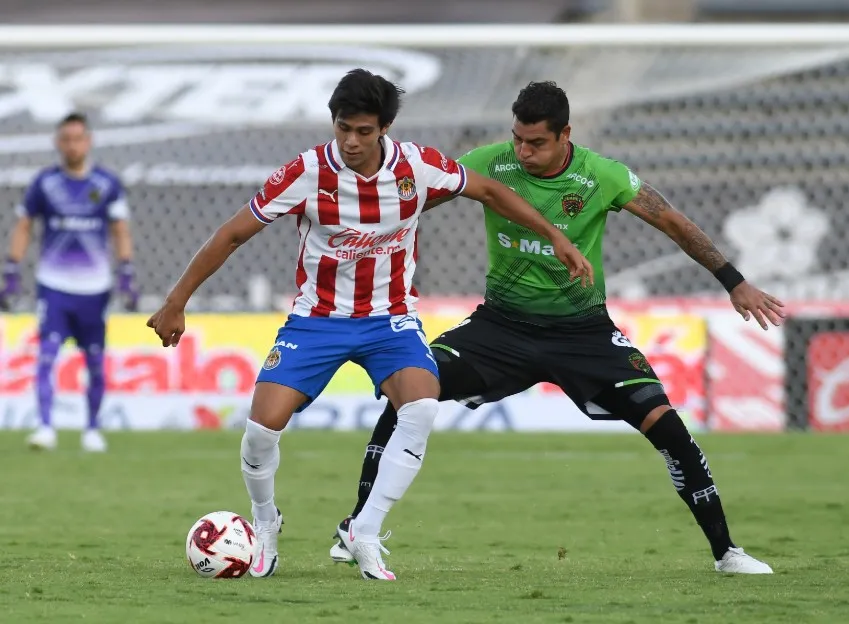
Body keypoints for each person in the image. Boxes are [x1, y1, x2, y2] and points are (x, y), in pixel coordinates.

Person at [146, 70, 592, 581]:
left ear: (385, 128)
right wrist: (176, 301)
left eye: (363, 131)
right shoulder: (307, 171)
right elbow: (232, 234)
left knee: (422, 406)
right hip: (317, 320)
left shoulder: (418, 167)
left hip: (389, 319)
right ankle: (265, 523)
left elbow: (490, 191)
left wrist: (555, 235)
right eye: (343, 129)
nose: (352, 142)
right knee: (259, 431)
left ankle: (365, 531)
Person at [330, 81, 786, 575]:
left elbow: (673, 222)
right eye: (517, 140)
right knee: (409, 390)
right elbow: (410, 199)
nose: (523, 152)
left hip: (584, 334)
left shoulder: (602, 176)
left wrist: (733, 281)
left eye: (537, 143)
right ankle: (358, 528)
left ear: (566, 134)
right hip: (499, 329)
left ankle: (727, 553)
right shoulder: (490, 162)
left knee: (668, 428)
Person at [1, 112, 139, 453]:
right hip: (54, 285)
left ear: (88, 142)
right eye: (66, 139)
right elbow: (24, 225)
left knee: (94, 361)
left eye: (78, 138)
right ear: (57, 143)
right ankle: (45, 426)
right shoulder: (44, 183)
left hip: (94, 288)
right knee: (46, 356)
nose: (72, 145)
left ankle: (92, 429)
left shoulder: (107, 184)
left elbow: (119, 229)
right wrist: (11, 270)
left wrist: (126, 272)